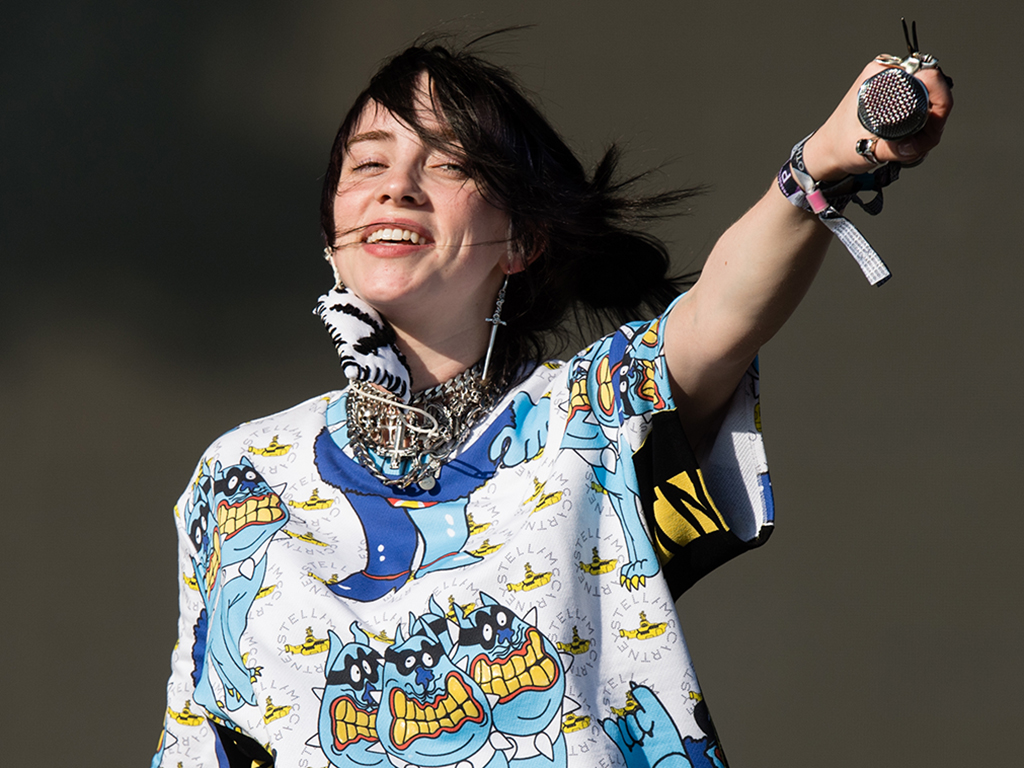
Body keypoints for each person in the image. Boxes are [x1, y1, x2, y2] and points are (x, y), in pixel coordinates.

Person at [152, 33, 952, 768]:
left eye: (448, 163)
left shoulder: (587, 417)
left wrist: (823, 163)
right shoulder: (241, 475)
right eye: (367, 165)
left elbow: (715, 319)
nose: (396, 188)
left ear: (525, 240)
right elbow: (195, 743)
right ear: (333, 225)